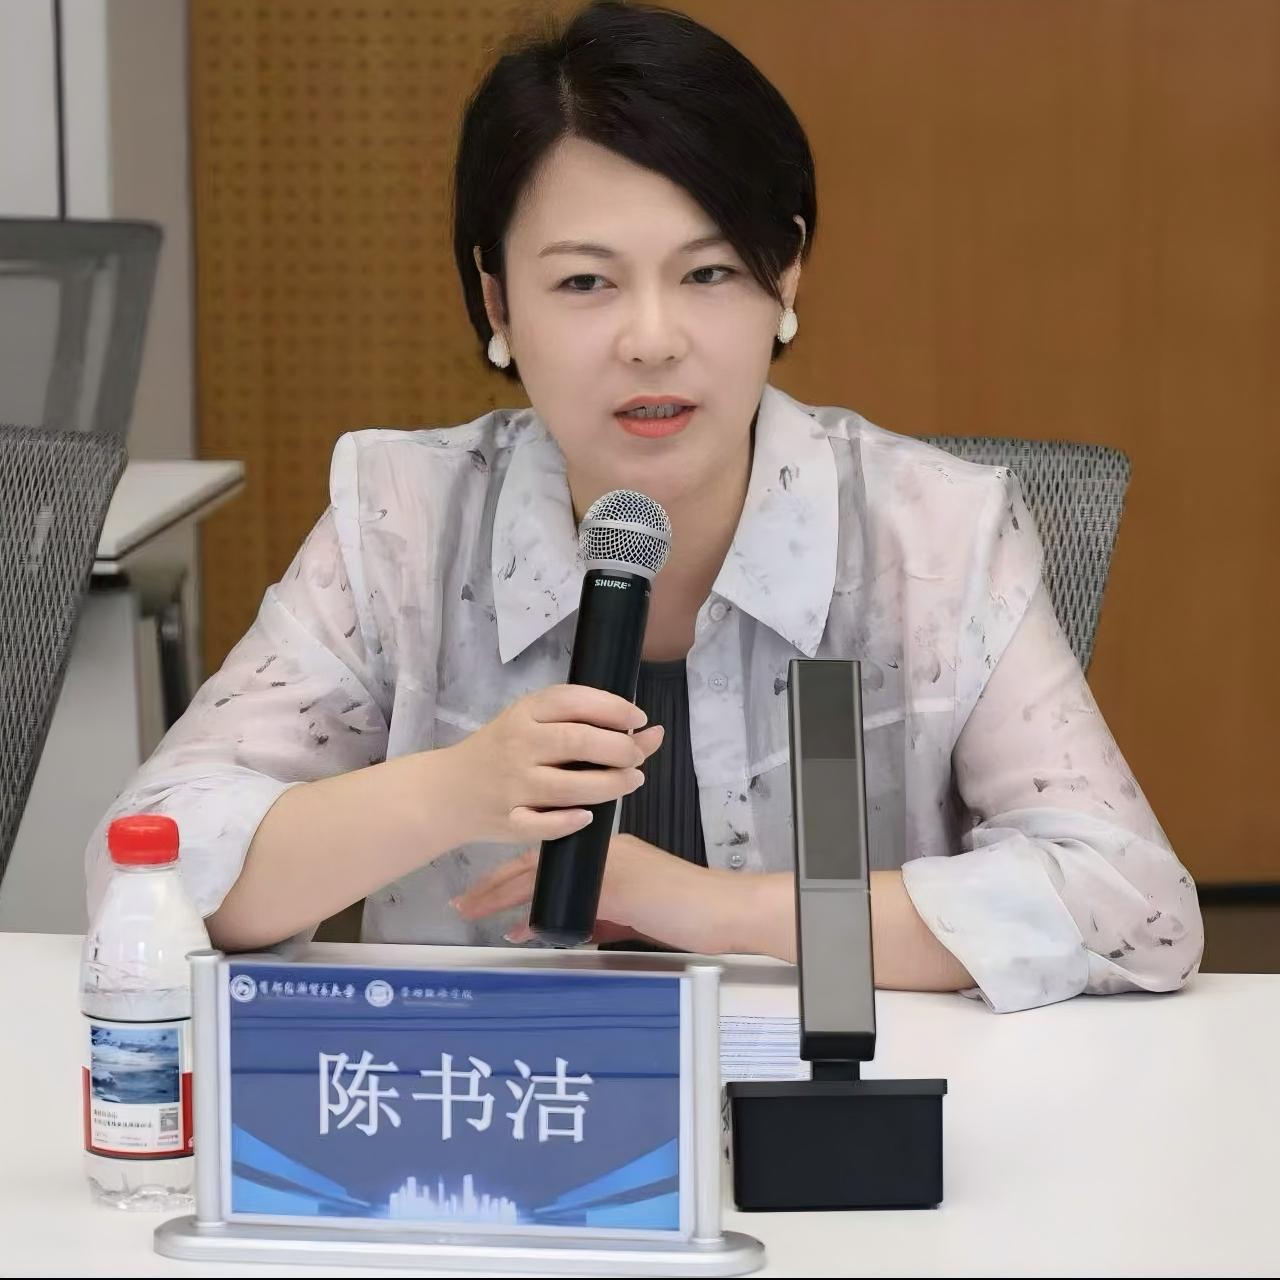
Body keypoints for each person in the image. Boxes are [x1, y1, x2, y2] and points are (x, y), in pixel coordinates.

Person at [86, 1, 1202, 1013]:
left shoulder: (936, 532)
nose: (652, 338)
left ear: (785, 276)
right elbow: (144, 867)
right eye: (585, 281)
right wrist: (453, 789)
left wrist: (705, 907)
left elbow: (1132, 904)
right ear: (497, 302)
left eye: (708, 273)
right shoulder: (405, 521)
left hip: (823, 1126)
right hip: (504, 1117)